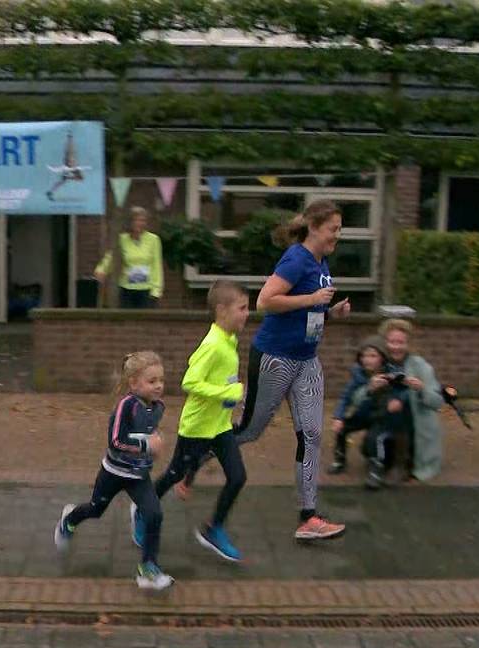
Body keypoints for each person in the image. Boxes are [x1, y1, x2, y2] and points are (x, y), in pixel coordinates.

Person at [206, 200, 352, 540]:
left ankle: (308, 516)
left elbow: (309, 309)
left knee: (311, 435)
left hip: (307, 360)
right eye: (333, 229)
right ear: (314, 228)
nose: (337, 235)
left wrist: (330, 312)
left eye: (339, 229)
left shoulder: (321, 261)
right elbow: (265, 301)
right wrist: (313, 299)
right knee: (249, 431)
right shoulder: (296, 258)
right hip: (275, 357)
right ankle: (189, 461)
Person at [138, 280, 250, 563]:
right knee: (174, 474)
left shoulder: (229, 340)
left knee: (238, 476)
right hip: (197, 428)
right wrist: (228, 392)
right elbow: (189, 382)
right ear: (222, 310)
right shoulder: (213, 344)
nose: (247, 314)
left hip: (220, 427)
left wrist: (231, 394)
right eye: (242, 308)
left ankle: (214, 529)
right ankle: (142, 508)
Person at [55, 351, 174, 591]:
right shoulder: (125, 406)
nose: (159, 386)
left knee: (155, 514)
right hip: (114, 473)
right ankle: (69, 519)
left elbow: (149, 431)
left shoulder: (158, 407)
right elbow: (116, 441)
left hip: (138, 476)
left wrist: (156, 442)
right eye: (152, 381)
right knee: (96, 509)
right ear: (134, 383)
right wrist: (147, 445)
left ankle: (148, 569)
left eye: (161, 380)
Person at [329, 336, 410, 489]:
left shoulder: (392, 372)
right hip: (365, 413)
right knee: (342, 428)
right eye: (364, 356)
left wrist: (397, 399)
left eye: (373, 356)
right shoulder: (358, 375)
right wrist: (338, 417)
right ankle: (339, 460)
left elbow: (404, 389)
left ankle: (375, 471)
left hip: (383, 415)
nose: (367, 360)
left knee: (375, 438)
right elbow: (346, 397)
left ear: (382, 357)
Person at [379, 318, 445, 484]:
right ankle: (383, 459)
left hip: (413, 424)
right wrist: (370, 388)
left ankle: (400, 465)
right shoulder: (377, 362)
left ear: (408, 344)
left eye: (400, 342)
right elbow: (356, 397)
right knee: (369, 447)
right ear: (384, 342)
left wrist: (422, 388)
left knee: (399, 411)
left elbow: (437, 401)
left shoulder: (421, 366)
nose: (396, 347)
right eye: (392, 342)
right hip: (382, 419)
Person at [94, 207, 163, 309]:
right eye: (136, 220)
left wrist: (156, 290)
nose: (139, 223)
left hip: (147, 289)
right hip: (127, 288)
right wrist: (101, 269)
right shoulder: (122, 239)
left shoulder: (153, 240)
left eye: (142, 220)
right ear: (130, 222)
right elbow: (112, 257)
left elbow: (156, 265)